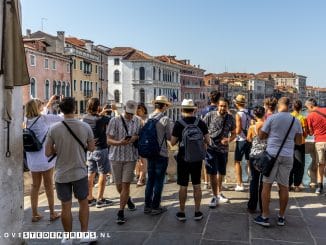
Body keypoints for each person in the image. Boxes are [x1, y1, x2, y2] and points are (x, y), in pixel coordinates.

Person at [45, 97, 96, 244]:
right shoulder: (85, 127)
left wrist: (58, 148)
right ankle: (84, 235)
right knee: (83, 203)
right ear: (74, 109)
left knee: (65, 206)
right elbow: (92, 148)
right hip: (79, 171)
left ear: (61, 110)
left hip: (61, 173)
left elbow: (48, 153)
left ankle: (67, 238)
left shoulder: (53, 128)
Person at [254, 97, 302, 227]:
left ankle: (265, 216)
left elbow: (261, 136)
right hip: (287, 156)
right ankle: (281, 216)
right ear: (289, 105)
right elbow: (298, 142)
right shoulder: (296, 121)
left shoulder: (272, 118)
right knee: (284, 187)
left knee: (266, 185)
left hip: (272, 155)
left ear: (279, 105)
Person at [24, 96, 62, 223]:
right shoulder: (44, 119)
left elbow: (44, 110)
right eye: (40, 104)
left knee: (35, 186)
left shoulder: (26, 121)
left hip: (32, 161)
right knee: (48, 186)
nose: (42, 106)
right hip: (46, 159)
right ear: (37, 108)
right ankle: (52, 213)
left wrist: (49, 102)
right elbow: (61, 118)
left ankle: (35, 214)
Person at [171, 99, 210, 221]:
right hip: (197, 158)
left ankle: (182, 212)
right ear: (194, 109)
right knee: (197, 184)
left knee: (183, 186)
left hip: (183, 158)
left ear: (182, 109)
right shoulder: (201, 123)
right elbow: (208, 141)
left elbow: (172, 143)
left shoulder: (179, 124)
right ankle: (197, 212)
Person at [106, 100, 142, 224]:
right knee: (119, 186)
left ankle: (120, 212)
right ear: (124, 110)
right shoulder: (114, 121)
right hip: (115, 156)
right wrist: (119, 142)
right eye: (128, 113)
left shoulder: (137, 120)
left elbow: (139, 136)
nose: (130, 116)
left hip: (130, 157)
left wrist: (134, 138)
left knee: (126, 184)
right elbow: (109, 140)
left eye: (132, 114)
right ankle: (127, 200)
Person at [203, 98, 236, 207]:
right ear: (218, 105)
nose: (222, 108)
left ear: (227, 106)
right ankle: (214, 195)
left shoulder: (230, 118)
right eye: (221, 106)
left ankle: (219, 192)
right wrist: (206, 142)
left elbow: (234, 133)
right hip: (211, 149)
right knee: (212, 173)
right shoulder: (210, 115)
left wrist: (229, 140)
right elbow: (202, 129)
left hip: (223, 149)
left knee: (221, 172)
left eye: (224, 106)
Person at [82, 98, 113, 208]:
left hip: (90, 150)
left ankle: (89, 198)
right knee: (102, 173)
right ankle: (100, 199)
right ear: (98, 106)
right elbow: (112, 120)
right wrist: (106, 112)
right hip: (101, 149)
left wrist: (101, 113)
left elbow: (95, 118)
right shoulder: (102, 119)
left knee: (90, 174)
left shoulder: (84, 118)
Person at [144, 95, 172, 215]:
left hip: (150, 153)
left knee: (150, 179)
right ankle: (156, 206)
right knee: (159, 181)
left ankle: (147, 206)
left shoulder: (147, 118)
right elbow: (169, 137)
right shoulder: (165, 119)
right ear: (164, 106)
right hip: (161, 153)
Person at [246, 106, 266, 213]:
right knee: (263, 183)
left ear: (254, 115)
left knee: (254, 181)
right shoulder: (267, 125)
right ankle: (263, 206)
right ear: (264, 114)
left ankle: (252, 206)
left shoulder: (252, 127)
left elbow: (248, 139)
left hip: (253, 155)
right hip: (265, 156)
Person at [305, 98, 326, 195]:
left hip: (320, 142)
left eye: (307, 108)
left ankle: (319, 187)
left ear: (311, 106)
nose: (307, 110)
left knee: (320, 165)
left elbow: (310, 132)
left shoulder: (310, 116)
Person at [201, 90, 220, 189]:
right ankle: (216, 182)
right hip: (218, 139)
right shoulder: (220, 109)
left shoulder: (204, 110)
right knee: (217, 161)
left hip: (206, 138)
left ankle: (206, 182)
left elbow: (202, 125)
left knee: (206, 160)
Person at [233, 94, 252, 191]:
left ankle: (239, 184)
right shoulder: (250, 112)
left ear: (236, 104)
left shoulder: (238, 114)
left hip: (241, 140)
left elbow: (238, 130)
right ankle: (252, 181)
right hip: (250, 139)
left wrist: (232, 132)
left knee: (237, 161)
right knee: (250, 161)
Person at [289, 100, 308, 192]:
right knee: (299, 165)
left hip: (289, 143)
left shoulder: (289, 117)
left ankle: (288, 184)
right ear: (301, 108)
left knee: (289, 164)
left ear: (293, 107)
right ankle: (297, 185)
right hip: (300, 143)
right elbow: (305, 133)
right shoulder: (302, 118)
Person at [135, 103, 148, 186]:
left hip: (144, 143)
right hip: (136, 143)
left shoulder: (147, 118)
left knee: (144, 161)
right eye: (139, 109)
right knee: (138, 162)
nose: (140, 110)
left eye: (142, 109)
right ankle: (140, 176)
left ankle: (141, 178)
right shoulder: (135, 119)